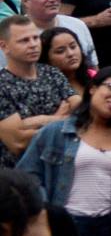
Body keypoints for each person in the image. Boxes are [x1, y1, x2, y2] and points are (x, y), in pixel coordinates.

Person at [0, 14, 78, 168]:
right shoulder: (2, 84)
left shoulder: (52, 73)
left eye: (35, 38)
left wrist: (33, 122)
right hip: (20, 176)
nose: (33, 44)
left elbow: (81, 111)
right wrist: (58, 118)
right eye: (24, 40)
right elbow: (19, 142)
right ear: (4, 46)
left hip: (61, 170)